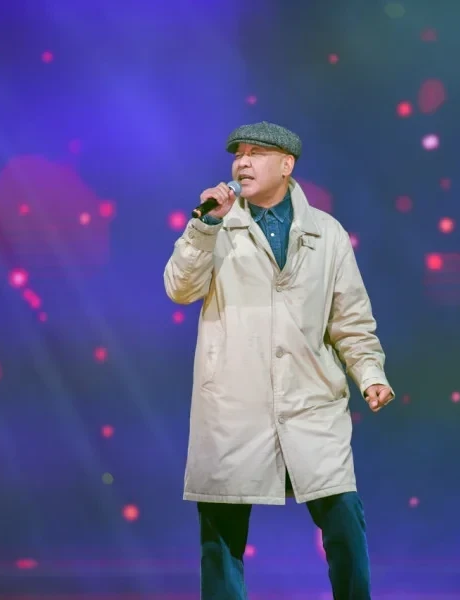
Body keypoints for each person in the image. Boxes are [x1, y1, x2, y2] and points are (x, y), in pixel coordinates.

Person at [163, 121, 394, 599]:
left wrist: (370, 373)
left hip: (310, 400)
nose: (242, 162)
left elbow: (350, 319)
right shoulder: (216, 226)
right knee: (221, 532)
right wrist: (205, 227)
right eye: (238, 154)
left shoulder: (326, 233)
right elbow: (179, 288)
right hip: (234, 403)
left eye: (256, 153)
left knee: (343, 517)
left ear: (287, 165)